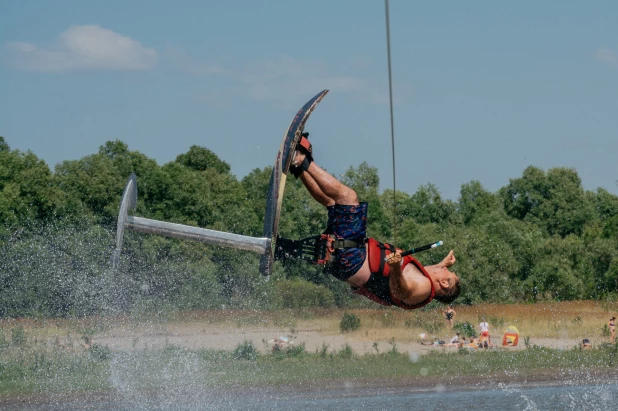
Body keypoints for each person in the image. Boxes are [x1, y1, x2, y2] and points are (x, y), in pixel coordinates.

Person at [290, 134, 461, 309]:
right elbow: (415, 276)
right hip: (349, 260)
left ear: (444, 283)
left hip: (354, 258)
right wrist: (442, 265)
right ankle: (299, 168)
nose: (446, 269)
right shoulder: (425, 281)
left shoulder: (423, 289)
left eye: (448, 272)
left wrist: (394, 267)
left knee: (348, 198)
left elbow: (401, 291)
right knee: (333, 203)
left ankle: (300, 159)